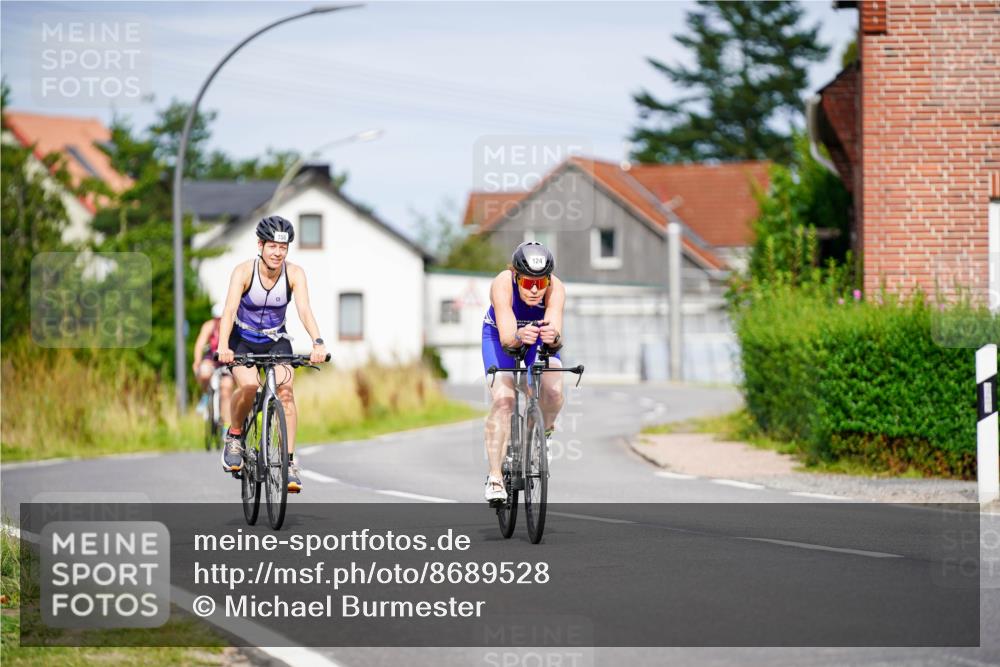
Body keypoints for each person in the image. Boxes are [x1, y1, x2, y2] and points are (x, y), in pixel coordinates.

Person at [215, 216, 328, 493]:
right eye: (273, 246)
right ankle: (235, 436)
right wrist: (224, 346)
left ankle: (288, 463)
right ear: (261, 245)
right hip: (243, 341)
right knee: (250, 386)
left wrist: (317, 342)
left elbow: (304, 310)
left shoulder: (295, 274)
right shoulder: (244, 272)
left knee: (286, 392)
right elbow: (229, 310)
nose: (278, 253)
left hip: (277, 340)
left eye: (283, 247)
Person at [481, 241, 565, 503]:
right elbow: (508, 339)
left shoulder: (556, 288)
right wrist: (519, 336)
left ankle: (541, 433)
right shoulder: (502, 283)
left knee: (552, 392)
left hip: (536, 337)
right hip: (501, 336)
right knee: (504, 401)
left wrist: (553, 338)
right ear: (516, 276)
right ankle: (495, 477)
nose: (534, 290)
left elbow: (556, 339)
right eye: (528, 283)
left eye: (540, 283)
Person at [192, 303, 234, 427]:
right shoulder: (209, 326)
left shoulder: (232, 326)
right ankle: (206, 395)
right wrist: (197, 361)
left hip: (227, 359)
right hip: (212, 358)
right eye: (217, 318)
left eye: (221, 318)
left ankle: (226, 426)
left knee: (226, 389)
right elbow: (200, 344)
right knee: (204, 372)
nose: (219, 321)